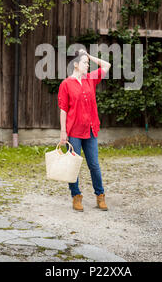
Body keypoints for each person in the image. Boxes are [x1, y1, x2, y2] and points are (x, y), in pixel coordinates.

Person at [57, 49, 111, 212]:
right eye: (84, 63)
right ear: (75, 65)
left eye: (88, 63)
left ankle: (100, 196)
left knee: (94, 165)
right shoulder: (66, 84)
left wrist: (88, 55)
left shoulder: (90, 79)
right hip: (73, 132)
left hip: (90, 130)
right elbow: (63, 109)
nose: (87, 65)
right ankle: (76, 196)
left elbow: (107, 65)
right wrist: (63, 132)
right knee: (73, 166)